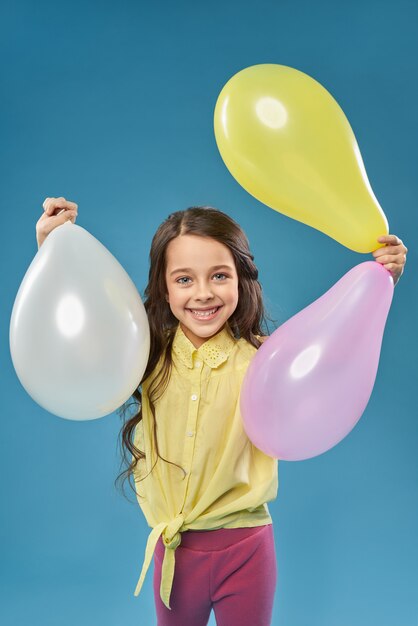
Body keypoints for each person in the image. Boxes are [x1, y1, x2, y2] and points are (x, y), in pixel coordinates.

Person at [36, 197, 408, 626]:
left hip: (247, 549)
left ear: (241, 279)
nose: (203, 293)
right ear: (164, 287)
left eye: (219, 275)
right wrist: (53, 247)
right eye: (183, 279)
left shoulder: (268, 362)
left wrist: (381, 281)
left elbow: (334, 354)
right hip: (175, 551)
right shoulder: (142, 355)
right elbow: (84, 340)